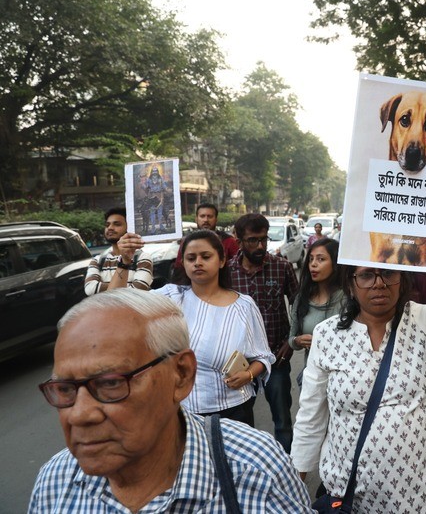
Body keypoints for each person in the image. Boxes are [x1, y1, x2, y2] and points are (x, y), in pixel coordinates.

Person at [291, 179, 426, 513]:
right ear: (351, 283)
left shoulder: (425, 320)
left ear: (402, 279)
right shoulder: (327, 335)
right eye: (366, 275)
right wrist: (295, 489)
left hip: (423, 499)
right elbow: (311, 419)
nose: (378, 283)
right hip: (351, 501)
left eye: (387, 274)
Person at [30, 289, 312, 513]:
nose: (79, 415)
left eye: (111, 383)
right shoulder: (55, 480)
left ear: (181, 374)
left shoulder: (256, 472)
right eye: (65, 388)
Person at [154, 230, 274, 427]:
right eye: (191, 258)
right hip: (184, 411)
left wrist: (248, 375)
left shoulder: (244, 305)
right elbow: (120, 302)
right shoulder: (172, 297)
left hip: (234, 411)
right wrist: (125, 261)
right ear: (183, 263)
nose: (197, 262)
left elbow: (263, 356)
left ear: (222, 260)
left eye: (205, 256)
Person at [229, 213, 299, 452]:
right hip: (240, 363)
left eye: (263, 239)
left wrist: (291, 342)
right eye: (252, 240)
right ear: (238, 240)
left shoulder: (282, 267)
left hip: (276, 358)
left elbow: (299, 306)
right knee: (241, 426)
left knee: (282, 422)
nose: (260, 246)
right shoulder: (227, 273)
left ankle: (288, 473)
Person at [288, 238, 345, 390]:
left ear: (335, 263)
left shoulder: (348, 299)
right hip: (311, 380)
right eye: (311, 259)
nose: (313, 264)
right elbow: (291, 339)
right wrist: (298, 341)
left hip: (342, 381)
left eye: (321, 259)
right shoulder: (302, 298)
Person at [84, 208, 153, 295]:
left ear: (129, 227)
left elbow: (136, 292)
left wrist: (106, 288)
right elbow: (90, 289)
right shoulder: (98, 260)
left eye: (117, 224)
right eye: (107, 225)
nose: (110, 228)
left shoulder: (142, 258)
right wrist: (125, 286)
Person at [174, 203, 239, 271]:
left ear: (216, 219)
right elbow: (179, 270)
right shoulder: (186, 242)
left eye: (210, 216)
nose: (206, 220)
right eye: (202, 216)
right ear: (196, 219)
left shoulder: (229, 241)